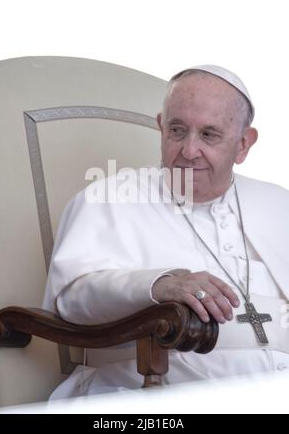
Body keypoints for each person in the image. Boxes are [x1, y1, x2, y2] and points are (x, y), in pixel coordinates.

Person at [43, 65, 289, 399]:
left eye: (209, 135)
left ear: (244, 144)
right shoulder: (109, 198)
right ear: (161, 127)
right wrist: (161, 284)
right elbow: (70, 299)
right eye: (177, 130)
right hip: (147, 394)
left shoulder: (278, 202)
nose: (189, 151)